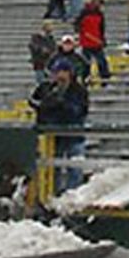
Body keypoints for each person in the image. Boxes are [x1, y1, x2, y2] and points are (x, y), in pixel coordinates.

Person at [30, 58, 90, 192]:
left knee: (75, 168)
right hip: (52, 136)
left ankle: (74, 197)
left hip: (73, 135)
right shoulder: (46, 88)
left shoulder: (78, 90)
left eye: (64, 71)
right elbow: (34, 102)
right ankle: (52, 196)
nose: (61, 75)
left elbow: (80, 110)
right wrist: (48, 103)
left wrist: (64, 104)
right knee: (52, 169)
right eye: (58, 71)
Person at [75, 0, 111, 84]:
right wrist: (81, 33)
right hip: (86, 42)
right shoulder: (84, 12)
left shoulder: (100, 14)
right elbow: (77, 25)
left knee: (102, 61)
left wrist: (102, 39)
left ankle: (104, 78)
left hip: (96, 42)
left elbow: (101, 28)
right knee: (86, 62)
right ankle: (86, 78)